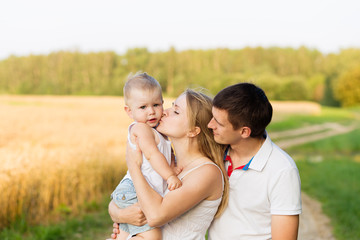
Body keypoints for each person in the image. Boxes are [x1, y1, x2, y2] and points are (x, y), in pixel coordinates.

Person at [108, 89, 229, 240]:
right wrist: (119, 214)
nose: (164, 112)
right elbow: (127, 197)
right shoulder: (168, 167)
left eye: (176, 112)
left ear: (193, 130)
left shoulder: (207, 172)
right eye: (171, 106)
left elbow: (155, 216)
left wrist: (133, 166)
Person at [207, 82, 302, 240]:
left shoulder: (282, 170)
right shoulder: (215, 153)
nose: (210, 125)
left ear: (244, 131)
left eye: (219, 122)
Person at [110, 72, 182, 240]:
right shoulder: (140, 129)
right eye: (143, 107)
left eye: (156, 105)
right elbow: (151, 154)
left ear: (163, 103)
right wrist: (170, 175)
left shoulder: (159, 131)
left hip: (142, 189)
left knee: (126, 235)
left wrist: (174, 165)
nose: (151, 112)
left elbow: (167, 153)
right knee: (152, 236)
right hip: (133, 190)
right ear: (129, 111)